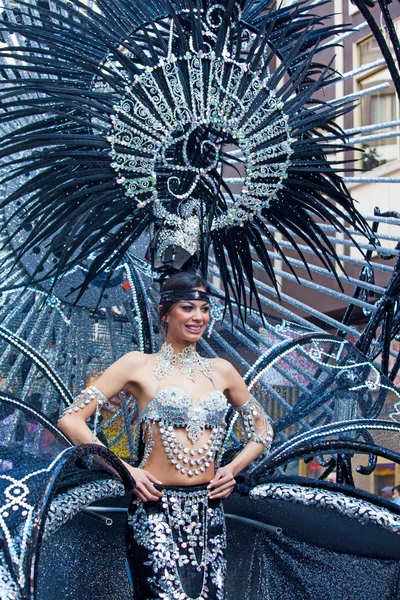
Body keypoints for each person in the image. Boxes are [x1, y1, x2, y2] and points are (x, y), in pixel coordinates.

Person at [57, 271, 274, 600]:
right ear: (165, 313)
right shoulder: (137, 365)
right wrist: (123, 469)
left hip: (209, 509)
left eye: (204, 308)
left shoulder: (223, 371)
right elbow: (71, 419)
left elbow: (263, 429)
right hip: (153, 505)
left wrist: (232, 469)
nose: (198, 316)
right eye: (187, 307)